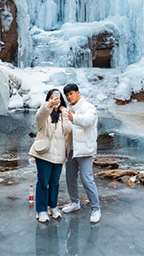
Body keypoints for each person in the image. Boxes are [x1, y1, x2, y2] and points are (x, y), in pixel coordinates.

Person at [29, 88, 72, 223]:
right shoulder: (45, 115)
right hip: (43, 153)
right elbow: (39, 116)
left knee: (54, 182)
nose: (55, 100)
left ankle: (53, 207)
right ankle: (41, 210)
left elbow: (68, 129)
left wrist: (64, 111)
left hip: (59, 154)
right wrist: (49, 105)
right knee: (43, 182)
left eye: (57, 98)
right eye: (52, 97)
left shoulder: (62, 115)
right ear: (48, 99)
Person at [61, 83, 102, 224]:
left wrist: (73, 118)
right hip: (71, 149)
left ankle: (96, 209)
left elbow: (88, 121)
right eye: (66, 95)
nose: (69, 97)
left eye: (71, 93)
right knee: (70, 178)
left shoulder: (89, 107)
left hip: (84, 150)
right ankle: (75, 203)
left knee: (86, 178)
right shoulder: (68, 108)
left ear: (78, 92)